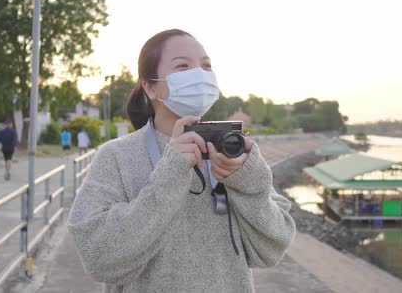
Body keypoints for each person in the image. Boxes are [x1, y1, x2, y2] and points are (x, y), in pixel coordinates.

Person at [67, 29, 295, 292]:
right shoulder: (116, 156)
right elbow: (100, 258)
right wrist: (171, 173)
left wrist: (246, 182)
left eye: (206, 65)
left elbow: (272, 249)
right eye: (183, 66)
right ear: (150, 87)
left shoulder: (232, 151)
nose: (199, 74)